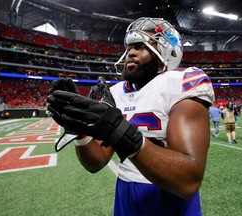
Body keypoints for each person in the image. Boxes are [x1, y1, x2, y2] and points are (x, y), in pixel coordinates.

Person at [47, 17, 215, 216]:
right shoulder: (116, 92)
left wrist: (120, 132)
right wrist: (80, 132)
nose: (131, 52)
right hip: (125, 194)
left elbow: (187, 180)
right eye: (129, 47)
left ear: (166, 52)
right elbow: (96, 161)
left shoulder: (183, 81)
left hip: (168, 196)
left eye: (140, 46)